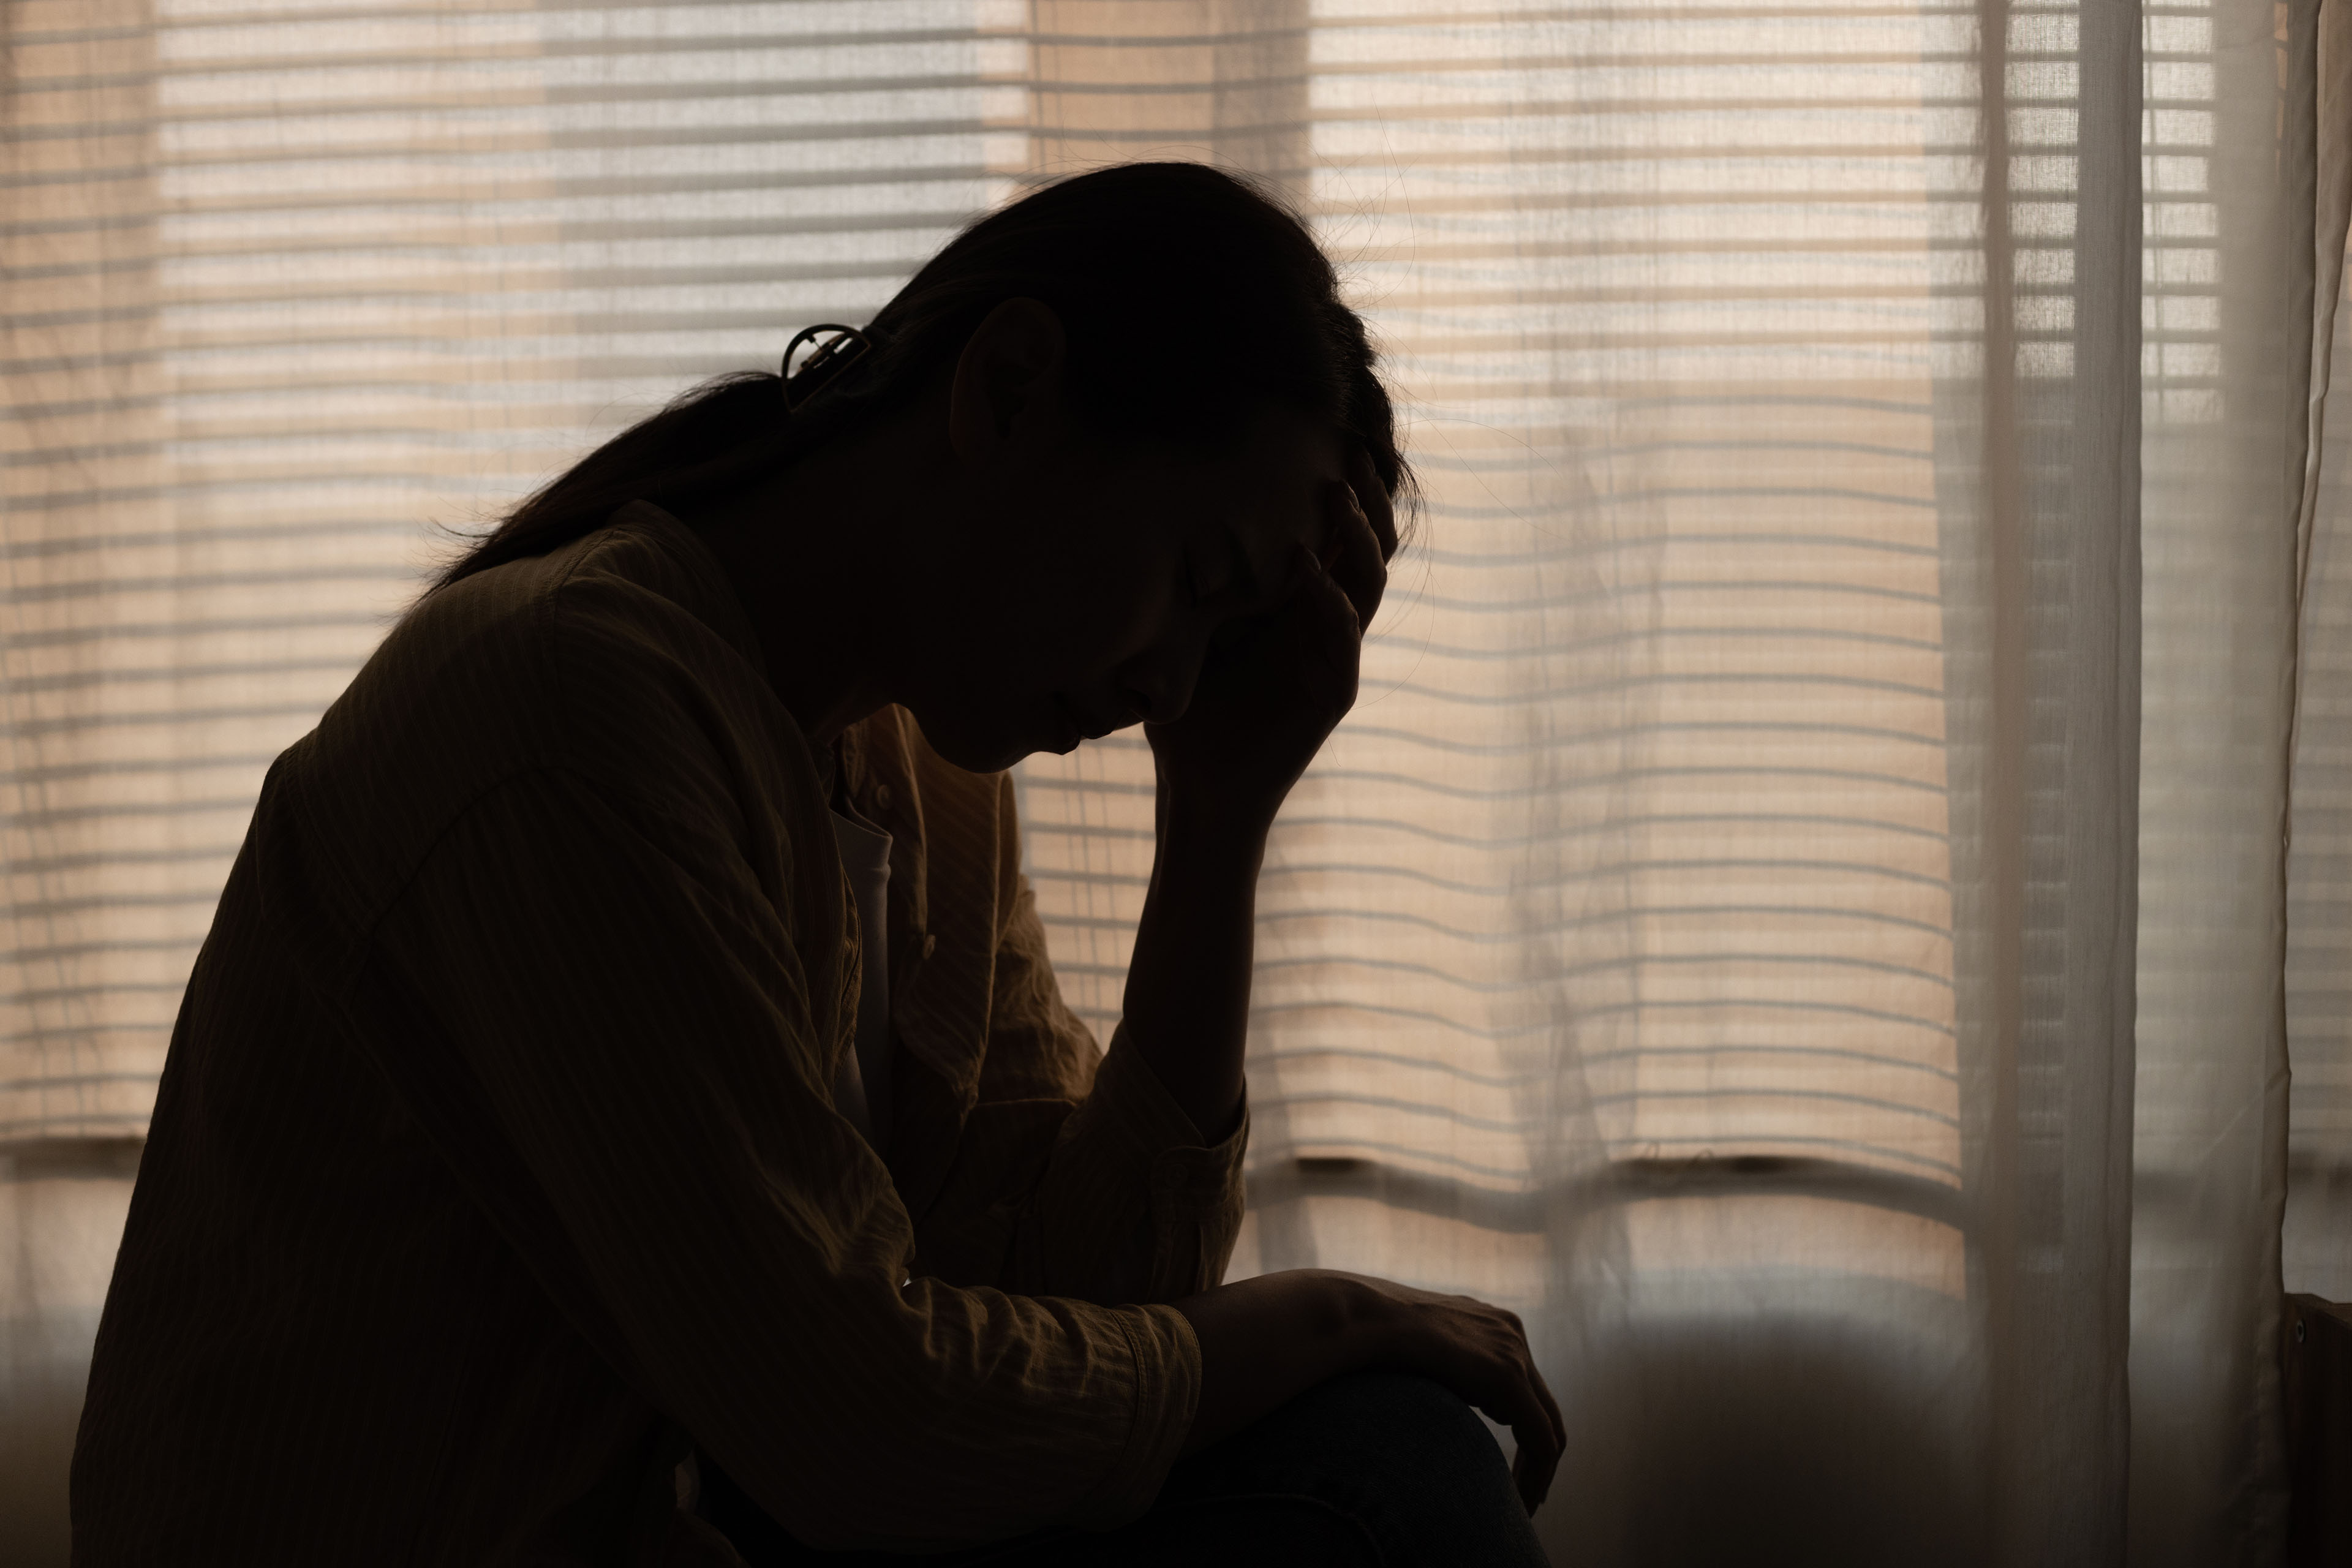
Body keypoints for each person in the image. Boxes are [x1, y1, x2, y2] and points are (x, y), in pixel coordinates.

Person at [69, 163, 1562, 1566]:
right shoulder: (570, 706)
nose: (1172, 686)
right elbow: (866, 1420)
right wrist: (1322, 1317)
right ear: (1011, 385)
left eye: (1221, 647)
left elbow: (1100, 1301)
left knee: (1381, 1447)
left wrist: (1221, 818)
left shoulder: (920, 771)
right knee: (1379, 1460)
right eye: (1198, 583)